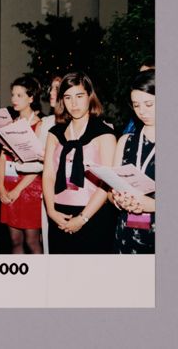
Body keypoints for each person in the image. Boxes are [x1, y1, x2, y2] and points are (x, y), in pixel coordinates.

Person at [42, 71, 117, 254]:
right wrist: (51, 211)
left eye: (79, 96)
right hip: (59, 213)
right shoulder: (55, 133)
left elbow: (106, 183)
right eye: (67, 97)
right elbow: (49, 174)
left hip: (94, 215)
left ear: (90, 96)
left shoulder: (104, 133)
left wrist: (82, 218)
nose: (73, 103)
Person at [0, 76, 44, 254]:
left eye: (19, 95)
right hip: (9, 184)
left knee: (32, 240)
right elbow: (3, 157)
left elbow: (39, 163)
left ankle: (40, 278)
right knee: (15, 240)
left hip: (29, 188)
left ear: (31, 98)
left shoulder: (39, 125)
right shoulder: (10, 124)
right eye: (13, 95)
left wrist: (18, 190)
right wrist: (1, 186)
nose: (14, 99)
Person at [111, 70, 155, 254]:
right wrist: (117, 199)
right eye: (136, 105)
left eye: (149, 104)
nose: (141, 111)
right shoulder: (125, 141)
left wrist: (149, 204)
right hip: (126, 233)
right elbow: (110, 189)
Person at [37, 75, 62, 253]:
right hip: (48, 189)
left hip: (71, 192)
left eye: (56, 88)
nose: (51, 93)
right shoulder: (46, 123)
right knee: (48, 243)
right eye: (51, 88)